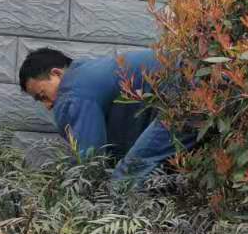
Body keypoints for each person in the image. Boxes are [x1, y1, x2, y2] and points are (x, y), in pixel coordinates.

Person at [18, 47, 177, 184]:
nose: (48, 106)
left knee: (125, 179)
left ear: (57, 74)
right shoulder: (88, 73)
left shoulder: (73, 92)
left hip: (186, 97)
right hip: (189, 89)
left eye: (43, 95)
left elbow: (91, 163)